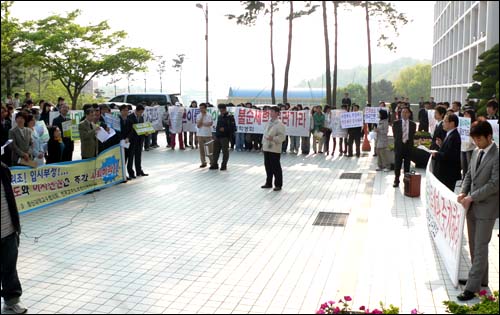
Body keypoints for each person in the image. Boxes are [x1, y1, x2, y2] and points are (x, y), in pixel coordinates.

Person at [456, 121, 499, 301]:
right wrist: (463, 191)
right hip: (472, 206)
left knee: (480, 247)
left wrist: (472, 197)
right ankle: (481, 279)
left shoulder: (497, 155)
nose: (476, 143)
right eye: (474, 139)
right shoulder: (475, 151)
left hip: (487, 208)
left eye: (479, 139)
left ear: (489, 137)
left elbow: (494, 184)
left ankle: (471, 288)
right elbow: (468, 175)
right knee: (474, 245)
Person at [1, 162, 28, 314]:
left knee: (10, 268)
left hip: (8, 229)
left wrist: (15, 226)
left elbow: (10, 199)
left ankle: (11, 301)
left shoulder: (3, 170)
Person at [431, 113, 461, 191]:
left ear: (452, 123)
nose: (443, 123)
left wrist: (436, 154)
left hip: (448, 174)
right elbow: (448, 150)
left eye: (445, 121)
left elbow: (449, 156)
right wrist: (441, 145)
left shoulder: (454, 137)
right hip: (444, 172)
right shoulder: (449, 134)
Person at [261, 106, 286, 191]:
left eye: (272, 112)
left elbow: (282, 137)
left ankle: (278, 184)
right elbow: (265, 134)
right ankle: (268, 183)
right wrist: (263, 144)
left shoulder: (280, 124)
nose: (271, 113)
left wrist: (274, 139)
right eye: (270, 112)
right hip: (266, 147)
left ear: (277, 113)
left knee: (275, 166)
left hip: (274, 148)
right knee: (267, 166)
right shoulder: (268, 122)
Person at [392, 107, 416, 187]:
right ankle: (396, 179)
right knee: (397, 164)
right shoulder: (396, 123)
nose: (404, 114)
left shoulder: (413, 124)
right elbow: (395, 135)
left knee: (407, 164)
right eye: (402, 112)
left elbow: (412, 135)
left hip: (408, 147)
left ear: (409, 114)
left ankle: (406, 180)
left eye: (406, 112)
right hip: (399, 146)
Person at [210, 104, 236, 171]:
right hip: (218, 136)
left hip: (225, 137)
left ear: (224, 109)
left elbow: (233, 128)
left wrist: (225, 129)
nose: (221, 111)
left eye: (222, 109)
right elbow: (217, 127)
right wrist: (215, 135)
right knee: (215, 151)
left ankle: (224, 165)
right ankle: (214, 164)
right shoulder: (219, 116)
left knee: (225, 152)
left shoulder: (230, 117)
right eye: (220, 109)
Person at [127, 104, 148, 178]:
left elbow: (142, 127)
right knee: (131, 157)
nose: (141, 114)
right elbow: (130, 130)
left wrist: (145, 132)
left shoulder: (141, 117)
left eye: (142, 112)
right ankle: (131, 172)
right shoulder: (130, 117)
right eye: (140, 112)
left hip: (140, 140)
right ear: (136, 111)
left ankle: (139, 171)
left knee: (138, 156)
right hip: (132, 140)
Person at [196, 103, 213, 168]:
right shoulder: (198, 115)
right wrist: (202, 117)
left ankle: (212, 162)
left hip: (208, 135)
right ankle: (203, 162)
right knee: (201, 150)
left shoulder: (209, 115)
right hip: (200, 135)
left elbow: (210, 124)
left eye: (202, 108)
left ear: (205, 108)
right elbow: (198, 125)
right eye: (200, 108)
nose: (201, 109)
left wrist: (202, 123)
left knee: (210, 150)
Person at [461, 109, 476, 180]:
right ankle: (464, 180)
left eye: (467, 114)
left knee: (470, 166)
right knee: (463, 166)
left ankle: (470, 181)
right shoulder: (461, 124)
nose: (465, 116)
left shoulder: (474, 125)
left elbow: (475, 138)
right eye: (464, 114)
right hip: (462, 147)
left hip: (470, 148)